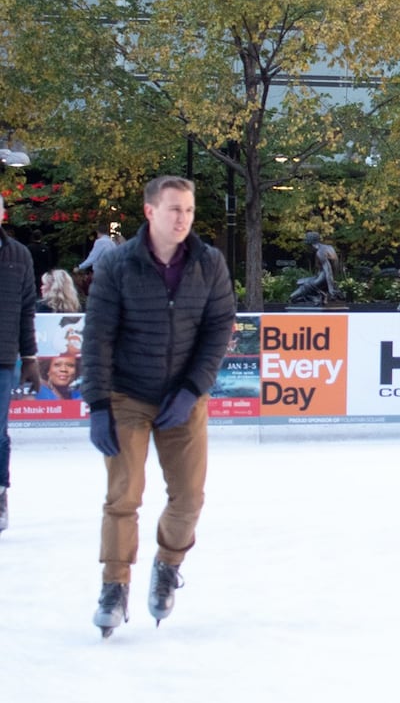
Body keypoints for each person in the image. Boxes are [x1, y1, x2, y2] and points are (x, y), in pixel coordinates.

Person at [81, 176, 236, 636]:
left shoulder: (208, 263)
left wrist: (192, 388)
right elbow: (98, 336)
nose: (183, 218)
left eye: (188, 210)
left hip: (183, 397)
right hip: (127, 393)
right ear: (150, 212)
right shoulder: (118, 265)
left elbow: (218, 328)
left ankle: (168, 565)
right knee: (123, 496)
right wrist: (98, 405)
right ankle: (114, 585)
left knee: (189, 497)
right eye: (173, 210)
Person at [0, 193, 41, 534]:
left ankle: (0, 494)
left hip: (2, 359)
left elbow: (27, 309)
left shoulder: (18, 255)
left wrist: (30, 358)